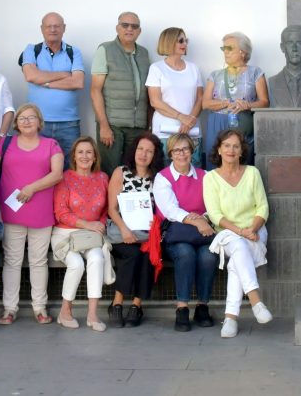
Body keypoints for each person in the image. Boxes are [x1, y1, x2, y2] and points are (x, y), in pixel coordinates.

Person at [0, 103, 64, 325]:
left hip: (40, 212)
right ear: (16, 123)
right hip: (10, 211)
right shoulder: (5, 143)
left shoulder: (51, 144)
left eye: (31, 117)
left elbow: (57, 174)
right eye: (22, 118)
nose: (26, 121)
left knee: (38, 261)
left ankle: (39, 307)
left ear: (40, 122)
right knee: (12, 260)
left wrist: (32, 187)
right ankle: (9, 309)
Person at [203, 129, 273, 338]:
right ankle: (255, 300)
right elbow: (215, 215)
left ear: (242, 150)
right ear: (219, 149)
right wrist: (240, 231)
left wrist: (252, 229)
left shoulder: (252, 173)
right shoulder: (211, 178)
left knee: (236, 263)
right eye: (226, 145)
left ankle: (231, 318)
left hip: (255, 230)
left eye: (236, 146)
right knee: (239, 246)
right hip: (227, 233)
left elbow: (263, 207)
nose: (231, 150)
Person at [153, 133, 219, 332]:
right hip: (178, 233)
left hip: (204, 231)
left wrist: (204, 219)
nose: (181, 154)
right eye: (176, 150)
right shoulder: (162, 177)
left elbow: (214, 205)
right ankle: (182, 308)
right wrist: (197, 221)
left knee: (208, 256)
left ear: (192, 151)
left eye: (185, 149)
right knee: (185, 254)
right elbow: (170, 210)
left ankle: (202, 306)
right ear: (170, 153)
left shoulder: (206, 176)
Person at [52, 137, 110, 332]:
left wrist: (99, 225)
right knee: (76, 264)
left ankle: (93, 314)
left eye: (89, 152)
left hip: (91, 235)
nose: (85, 156)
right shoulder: (65, 177)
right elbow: (61, 213)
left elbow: (105, 210)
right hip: (65, 234)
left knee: (96, 257)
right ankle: (65, 311)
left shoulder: (102, 178)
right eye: (80, 152)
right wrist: (88, 224)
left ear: (95, 157)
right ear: (74, 157)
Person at [107, 132, 164, 328]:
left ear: (155, 155)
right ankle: (117, 303)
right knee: (132, 253)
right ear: (134, 151)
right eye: (140, 149)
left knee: (146, 254)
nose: (143, 154)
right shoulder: (121, 172)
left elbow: (161, 210)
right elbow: (111, 209)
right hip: (122, 232)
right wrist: (124, 230)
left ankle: (136, 306)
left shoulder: (158, 177)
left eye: (149, 151)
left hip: (147, 235)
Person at [20, 12, 86, 167]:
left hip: (69, 124)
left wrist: (44, 81)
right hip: (37, 123)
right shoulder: (31, 50)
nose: (53, 29)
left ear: (64, 28)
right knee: (37, 168)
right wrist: (64, 74)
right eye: (48, 26)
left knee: (70, 169)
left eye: (57, 26)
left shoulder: (73, 52)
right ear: (42, 29)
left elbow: (78, 82)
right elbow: (30, 76)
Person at [90, 12, 152, 174]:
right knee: (111, 172)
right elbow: (95, 90)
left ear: (139, 31)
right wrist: (104, 125)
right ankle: (111, 201)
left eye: (134, 26)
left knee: (133, 172)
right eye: (125, 25)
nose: (129, 29)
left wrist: (148, 126)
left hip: (138, 126)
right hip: (112, 126)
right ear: (117, 28)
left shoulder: (144, 54)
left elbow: (148, 91)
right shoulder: (105, 50)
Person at [202, 31, 268, 168]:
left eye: (229, 48)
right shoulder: (215, 75)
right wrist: (225, 103)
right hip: (217, 124)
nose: (225, 52)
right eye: (224, 48)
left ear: (242, 52)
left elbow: (265, 102)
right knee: (215, 164)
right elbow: (205, 103)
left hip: (242, 124)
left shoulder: (255, 72)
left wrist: (248, 105)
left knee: (242, 165)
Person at [146, 27, 204, 166]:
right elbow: (155, 101)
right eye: (180, 40)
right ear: (169, 42)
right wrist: (181, 117)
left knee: (193, 170)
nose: (185, 44)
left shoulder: (193, 68)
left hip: (192, 130)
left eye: (186, 40)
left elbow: (200, 98)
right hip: (165, 131)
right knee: (166, 172)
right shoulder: (157, 68)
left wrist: (190, 119)